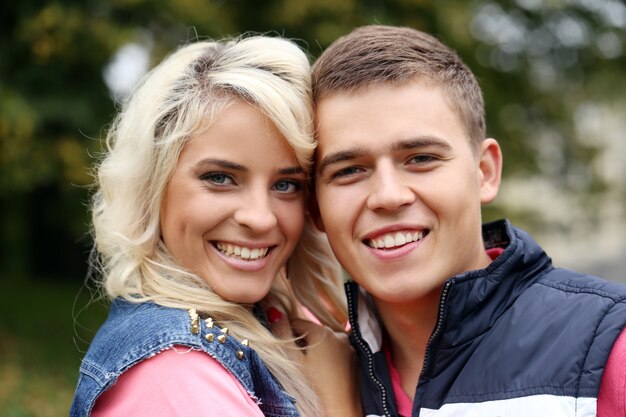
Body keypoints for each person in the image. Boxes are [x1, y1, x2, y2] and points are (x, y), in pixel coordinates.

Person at [310, 24, 626, 416]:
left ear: (485, 171)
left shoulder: (609, 345)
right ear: (315, 207)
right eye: (348, 171)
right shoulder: (307, 380)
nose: (388, 196)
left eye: (420, 158)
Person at [70, 35, 360, 417]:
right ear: (153, 186)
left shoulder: (284, 321)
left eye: (286, 184)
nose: (260, 218)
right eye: (220, 178)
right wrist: (341, 403)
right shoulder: (176, 371)